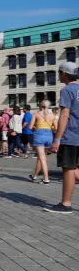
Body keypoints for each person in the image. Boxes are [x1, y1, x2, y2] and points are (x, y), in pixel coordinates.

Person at [49, 62, 79, 214]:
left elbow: (65, 115)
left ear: (64, 74)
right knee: (75, 169)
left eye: (59, 73)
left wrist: (57, 139)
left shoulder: (67, 90)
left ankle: (66, 204)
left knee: (68, 169)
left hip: (71, 135)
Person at [29, 99, 55, 184]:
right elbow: (56, 128)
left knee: (42, 158)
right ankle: (35, 176)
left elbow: (30, 127)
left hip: (39, 135)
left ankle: (46, 178)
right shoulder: (52, 115)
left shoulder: (36, 114)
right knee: (41, 158)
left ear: (41, 106)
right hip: (49, 135)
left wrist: (35, 128)